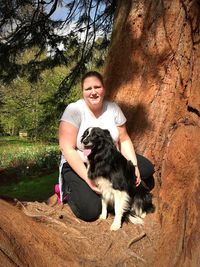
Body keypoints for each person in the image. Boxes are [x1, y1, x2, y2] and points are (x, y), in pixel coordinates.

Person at [58, 71, 154, 222]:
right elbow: (67, 148)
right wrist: (88, 179)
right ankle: (67, 190)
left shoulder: (113, 108)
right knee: (90, 211)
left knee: (146, 169)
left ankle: (118, 194)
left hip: (108, 159)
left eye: (97, 87)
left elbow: (124, 139)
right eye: (88, 88)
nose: (93, 92)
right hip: (79, 162)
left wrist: (134, 165)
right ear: (82, 91)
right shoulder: (73, 110)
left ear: (104, 89)